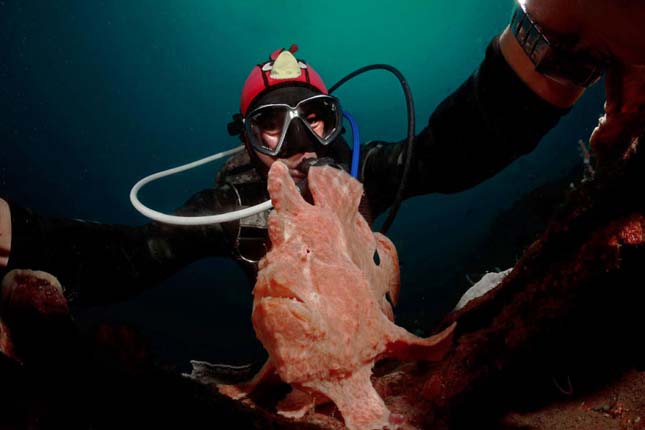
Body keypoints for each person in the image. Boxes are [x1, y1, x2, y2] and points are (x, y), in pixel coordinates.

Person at [1, 0, 644, 306]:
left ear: (337, 122)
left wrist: (560, 24)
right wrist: (19, 231)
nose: (302, 145)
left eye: (315, 117)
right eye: (272, 128)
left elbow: (459, 149)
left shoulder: (362, 172)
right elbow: (126, 258)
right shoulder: (230, 210)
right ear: (248, 144)